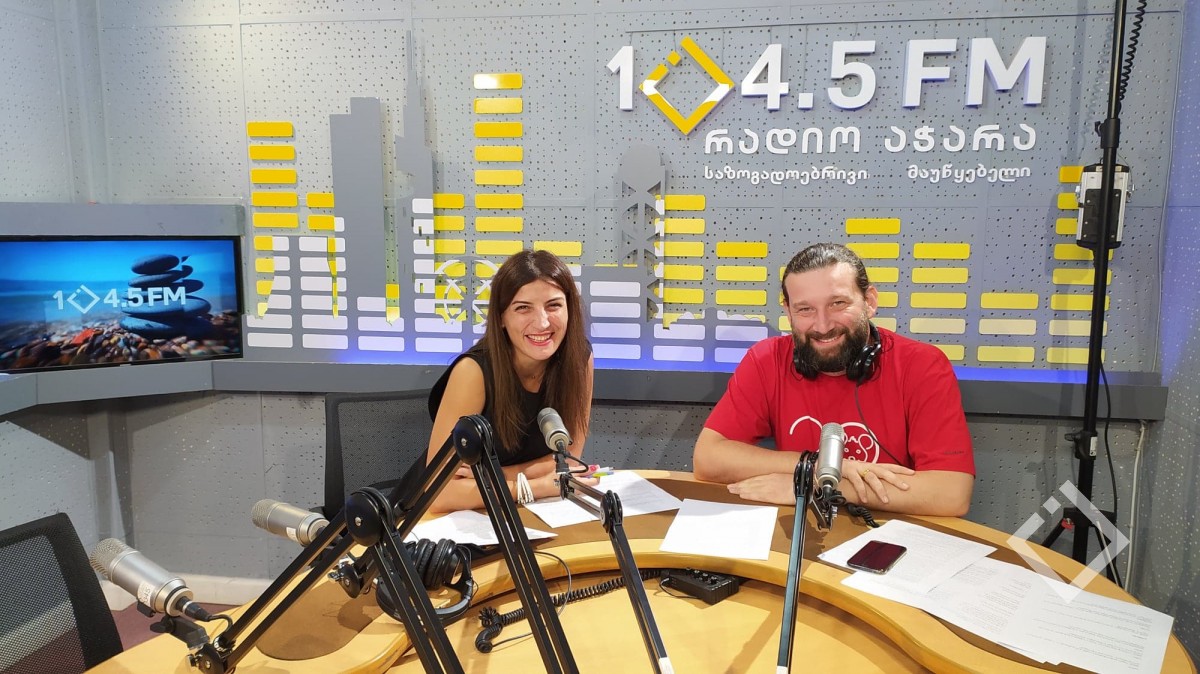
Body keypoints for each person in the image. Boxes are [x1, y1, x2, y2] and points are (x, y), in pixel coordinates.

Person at [692, 243, 974, 516]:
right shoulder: (766, 359)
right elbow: (708, 459)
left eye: (838, 304)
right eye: (805, 309)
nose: (823, 325)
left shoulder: (923, 365)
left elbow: (951, 493)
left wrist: (816, 486)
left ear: (869, 301)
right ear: (788, 312)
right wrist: (813, 466)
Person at [424, 249, 596, 513]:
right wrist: (534, 486)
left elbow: (569, 461)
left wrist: (496, 475)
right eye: (523, 308)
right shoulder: (473, 371)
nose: (542, 323)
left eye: (554, 305)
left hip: (520, 511)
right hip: (446, 520)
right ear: (501, 317)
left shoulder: (579, 359)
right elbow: (439, 493)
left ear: (569, 309)